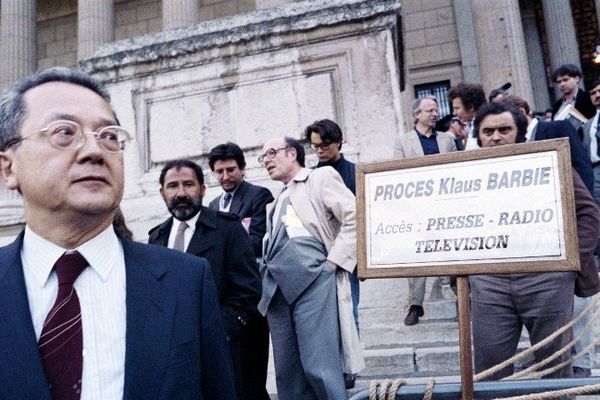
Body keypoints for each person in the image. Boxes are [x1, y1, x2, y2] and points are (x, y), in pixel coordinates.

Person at [0, 67, 236, 399]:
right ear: (9, 167)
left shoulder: (186, 282)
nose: (95, 151)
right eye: (64, 132)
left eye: (109, 136)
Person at [470, 101, 600, 380]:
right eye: (488, 131)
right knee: (488, 370)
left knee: (555, 367)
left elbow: (588, 213)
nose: (496, 136)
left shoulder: (551, 162)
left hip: (546, 277)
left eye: (504, 129)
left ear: (520, 132)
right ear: (478, 136)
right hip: (489, 281)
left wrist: (569, 263)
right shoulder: (464, 173)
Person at [258, 136, 363, 400]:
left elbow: (355, 215)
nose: (266, 161)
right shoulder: (278, 197)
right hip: (277, 291)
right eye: (263, 157)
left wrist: (333, 262)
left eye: (272, 153)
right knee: (287, 372)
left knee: (320, 367)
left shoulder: (319, 177)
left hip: (314, 281)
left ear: (292, 153)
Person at [148, 159, 261, 400]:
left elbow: (248, 290)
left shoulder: (227, 229)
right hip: (174, 357)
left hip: (221, 349)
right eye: (172, 186)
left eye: (188, 184)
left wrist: (217, 333)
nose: (181, 193)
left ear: (202, 188)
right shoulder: (156, 238)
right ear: (162, 192)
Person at [207, 142, 273, 400]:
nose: (225, 176)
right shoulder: (212, 205)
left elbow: (258, 240)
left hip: (250, 298)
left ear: (243, 169)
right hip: (222, 301)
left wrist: (222, 247)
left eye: (231, 170)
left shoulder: (259, 196)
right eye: (219, 171)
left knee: (253, 373)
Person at [304, 119, 360, 389]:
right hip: (323, 258)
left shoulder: (355, 173)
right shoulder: (312, 176)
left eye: (324, 145)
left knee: (351, 313)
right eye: (315, 147)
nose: (319, 151)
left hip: (348, 256)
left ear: (339, 142)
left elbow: (359, 218)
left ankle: (350, 369)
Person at [394, 96, 457, 325]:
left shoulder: (447, 140)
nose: (434, 114)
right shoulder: (403, 142)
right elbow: (398, 173)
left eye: (435, 109)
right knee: (417, 253)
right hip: (417, 206)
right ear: (416, 114)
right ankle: (415, 305)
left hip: (445, 202)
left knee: (451, 248)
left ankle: (460, 292)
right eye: (429, 110)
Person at [448, 82, 487, 149]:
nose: (454, 113)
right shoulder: (470, 127)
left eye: (457, 108)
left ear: (471, 107)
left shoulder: (486, 127)